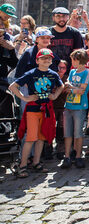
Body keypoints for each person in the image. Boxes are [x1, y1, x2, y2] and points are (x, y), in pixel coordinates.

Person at [9, 48, 64, 177]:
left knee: (41, 137)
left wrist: (55, 96)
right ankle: (22, 166)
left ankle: (36, 162)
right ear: (37, 60)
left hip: (46, 109)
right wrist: (24, 98)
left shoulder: (53, 74)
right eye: (43, 58)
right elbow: (13, 86)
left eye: (49, 58)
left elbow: (61, 85)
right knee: (30, 138)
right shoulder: (31, 73)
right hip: (33, 109)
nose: (46, 60)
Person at [60, 49, 89, 169]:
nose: (71, 61)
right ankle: (67, 156)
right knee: (67, 133)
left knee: (78, 132)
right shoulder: (72, 72)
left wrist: (71, 89)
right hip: (68, 105)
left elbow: (82, 90)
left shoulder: (86, 72)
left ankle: (78, 155)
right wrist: (73, 89)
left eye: (73, 59)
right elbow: (67, 85)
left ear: (78, 60)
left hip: (79, 106)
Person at [49, 7, 84, 72]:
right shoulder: (48, 33)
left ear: (68, 17)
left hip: (70, 71)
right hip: (51, 70)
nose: (61, 19)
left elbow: (78, 54)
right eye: (58, 16)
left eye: (64, 16)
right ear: (53, 18)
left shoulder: (75, 33)